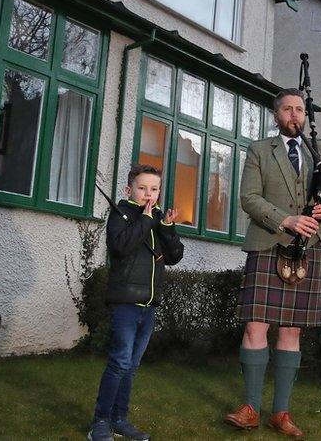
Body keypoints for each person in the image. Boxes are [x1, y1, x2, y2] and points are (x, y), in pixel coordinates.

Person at [223, 88, 321, 438]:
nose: (294, 115)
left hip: (311, 247)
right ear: (276, 115)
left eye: (299, 109)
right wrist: (285, 220)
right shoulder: (259, 150)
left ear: (305, 114)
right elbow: (248, 197)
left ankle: (281, 413)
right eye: (287, 109)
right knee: (256, 327)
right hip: (268, 244)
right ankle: (251, 407)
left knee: (291, 331)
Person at [88, 164, 184, 441]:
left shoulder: (156, 218)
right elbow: (120, 247)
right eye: (142, 188)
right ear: (129, 189)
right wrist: (144, 220)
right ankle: (100, 422)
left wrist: (166, 227)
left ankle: (120, 419)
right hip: (126, 303)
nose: (148, 194)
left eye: (154, 189)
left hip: (149, 305)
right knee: (119, 362)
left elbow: (175, 256)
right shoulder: (122, 214)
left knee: (131, 366)